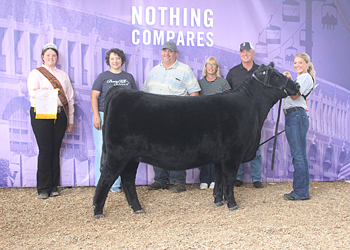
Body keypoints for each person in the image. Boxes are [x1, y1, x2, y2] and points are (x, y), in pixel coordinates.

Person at [142, 41, 201, 193]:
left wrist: (189, 115)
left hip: (176, 117)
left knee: (176, 149)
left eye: (170, 51)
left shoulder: (184, 70)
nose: (167, 54)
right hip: (154, 117)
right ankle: (160, 180)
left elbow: (194, 93)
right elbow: (144, 94)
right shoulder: (154, 70)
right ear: (161, 52)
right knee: (156, 148)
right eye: (164, 51)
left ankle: (178, 181)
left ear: (175, 54)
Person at [27, 42, 75, 199]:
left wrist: (70, 120)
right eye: (48, 55)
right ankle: (43, 187)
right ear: (42, 57)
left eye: (53, 55)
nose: (51, 57)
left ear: (57, 58)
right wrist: (44, 92)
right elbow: (32, 93)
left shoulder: (63, 75)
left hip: (60, 114)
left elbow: (70, 99)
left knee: (55, 151)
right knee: (45, 150)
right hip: (41, 114)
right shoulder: (36, 73)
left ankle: (54, 186)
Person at [91, 48, 137, 192]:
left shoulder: (128, 77)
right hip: (105, 115)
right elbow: (94, 97)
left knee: (120, 151)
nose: (115, 61)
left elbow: (134, 98)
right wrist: (97, 116)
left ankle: (115, 184)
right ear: (108, 61)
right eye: (112, 58)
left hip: (125, 119)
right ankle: (101, 184)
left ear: (122, 60)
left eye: (117, 58)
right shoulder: (102, 77)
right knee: (102, 149)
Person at [226, 42, 264, 189]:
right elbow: (228, 93)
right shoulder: (233, 72)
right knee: (237, 147)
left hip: (255, 115)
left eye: (248, 51)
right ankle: (238, 177)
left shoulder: (261, 71)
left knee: (256, 146)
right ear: (240, 53)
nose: (245, 53)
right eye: (242, 51)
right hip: (237, 117)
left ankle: (257, 178)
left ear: (253, 52)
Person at [283, 52, 315, 200]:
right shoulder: (300, 78)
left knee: (299, 155)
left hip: (295, 116)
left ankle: (301, 191)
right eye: (295, 62)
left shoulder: (305, 77)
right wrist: (290, 80)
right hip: (294, 116)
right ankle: (301, 190)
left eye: (300, 63)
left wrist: (287, 82)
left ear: (307, 64)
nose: (297, 65)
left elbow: (294, 95)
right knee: (299, 155)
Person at [198, 56, 231, 190]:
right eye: (208, 64)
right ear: (205, 67)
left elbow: (229, 101)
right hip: (203, 122)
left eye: (214, 65)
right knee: (204, 151)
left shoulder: (223, 83)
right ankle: (204, 179)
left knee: (217, 152)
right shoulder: (199, 83)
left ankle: (215, 180)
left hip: (219, 123)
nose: (211, 67)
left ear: (217, 68)